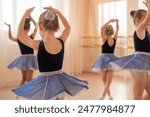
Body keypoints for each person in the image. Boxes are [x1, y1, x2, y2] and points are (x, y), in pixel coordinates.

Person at [12, 6, 88, 100]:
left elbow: (20, 35)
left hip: (45, 85)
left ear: (40, 27)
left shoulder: (38, 45)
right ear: (57, 28)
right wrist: (58, 12)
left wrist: (25, 14)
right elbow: (68, 27)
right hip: (60, 82)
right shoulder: (61, 41)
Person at [110, 0, 150, 100]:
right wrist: (149, 5)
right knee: (137, 98)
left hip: (144, 68)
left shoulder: (146, 33)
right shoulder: (139, 30)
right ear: (138, 21)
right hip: (138, 69)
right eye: (146, 19)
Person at [4, 15, 38, 86]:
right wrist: (31, 17)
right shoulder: (30, 37)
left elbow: (10, 37)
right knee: (28, 79)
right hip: (29, 59)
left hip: (25, 59)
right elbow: (36, 27)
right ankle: (23, 94)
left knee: (24, 78)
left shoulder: (20, 38)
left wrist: (10, 28)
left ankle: (20, 94)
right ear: (28, 29)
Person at [92, 19, 119, 100]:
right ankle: (109, 96)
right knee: (107, 81)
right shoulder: (112, 39)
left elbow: (101, 28)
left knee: (106, 81)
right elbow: (118, 29)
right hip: (108, 60)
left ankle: (103, 97)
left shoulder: (105, 39)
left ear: (106, 32)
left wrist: (110, 21)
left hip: (105, 59)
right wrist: (116, 22)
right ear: (112, 31)